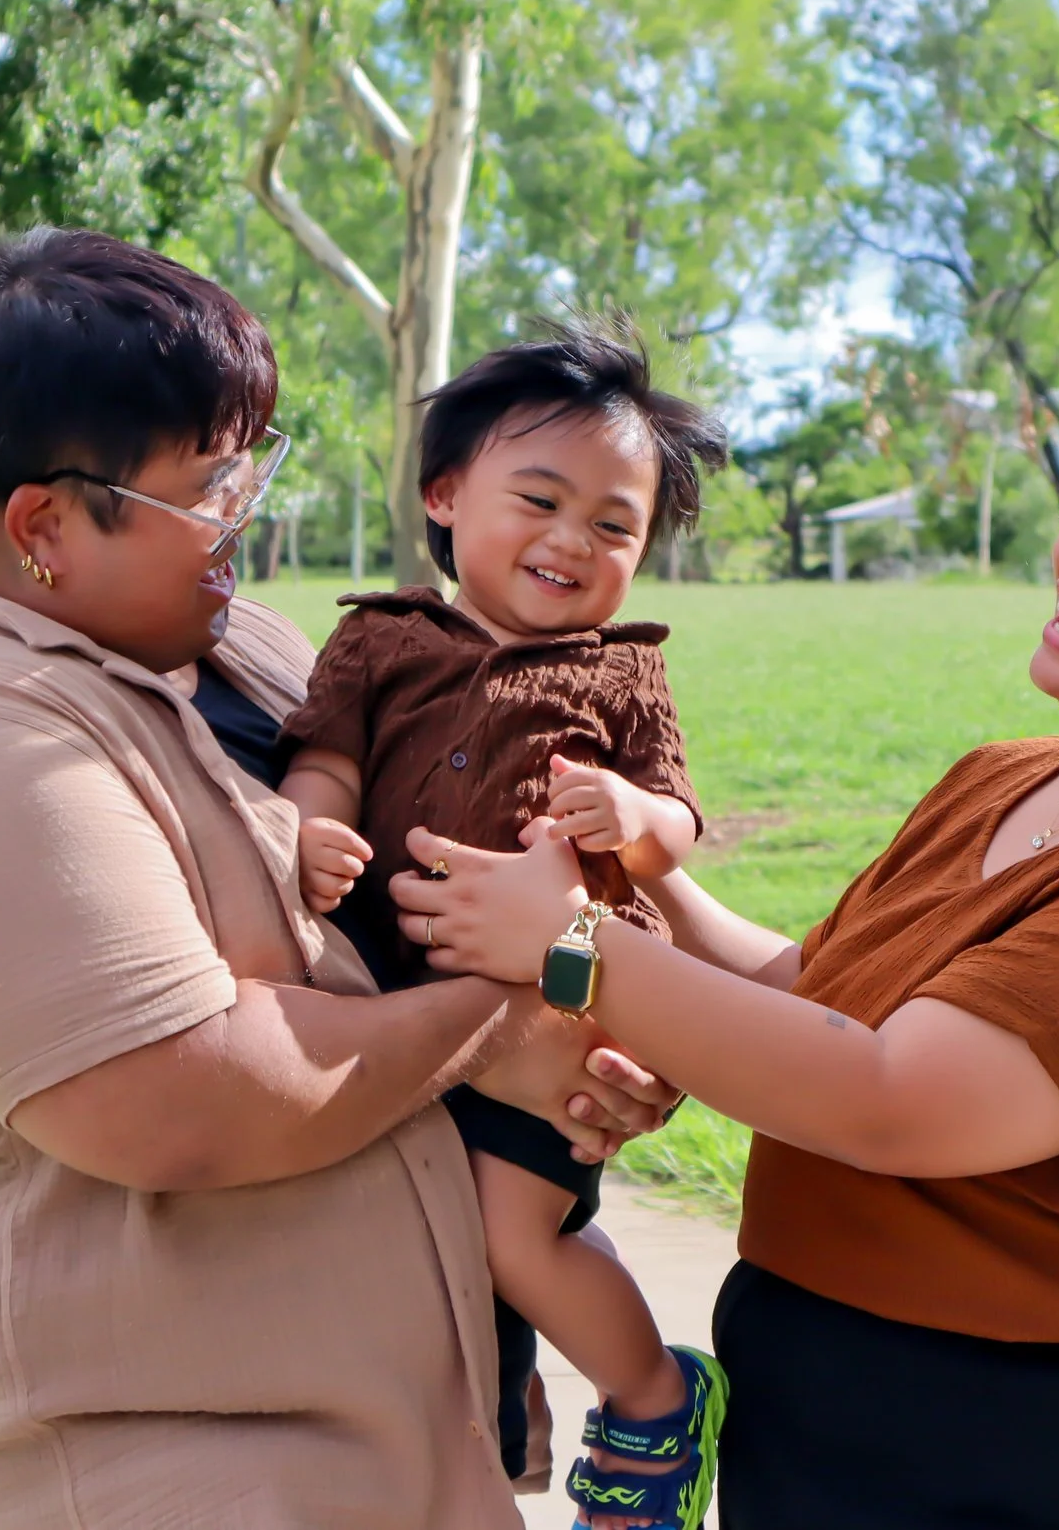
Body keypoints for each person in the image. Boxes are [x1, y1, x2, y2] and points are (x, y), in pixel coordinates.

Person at [389, 378, 1059, 1530]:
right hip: (817, 1410)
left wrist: (575, 947)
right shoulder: (1006, 777)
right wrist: (635, 878)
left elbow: (887, 1098)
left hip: (1022, 1457)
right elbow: (814, 993)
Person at [0, 227, 673, 1529]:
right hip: (184, 1474)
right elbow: (205, 1095)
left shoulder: (228, 644)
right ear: (43, 525)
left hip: (385, 1448)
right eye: (206, 486)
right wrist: (531, 1002)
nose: (241, 514)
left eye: (249, 466)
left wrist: (610, 1034)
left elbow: (432, 905)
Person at [280, 325, 732, 1530]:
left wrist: (635, 813)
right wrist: (306, 828)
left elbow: (677, 818)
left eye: (613, 525)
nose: (571, 540)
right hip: (399, 1003)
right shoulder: (376, 638)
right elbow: (324, 757)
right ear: (443, 494)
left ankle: (649, 1398)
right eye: (539, 499)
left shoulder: (623, 673)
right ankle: (501, 1405)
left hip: (556, 1013)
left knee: (513, 1233)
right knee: (422, 1244)